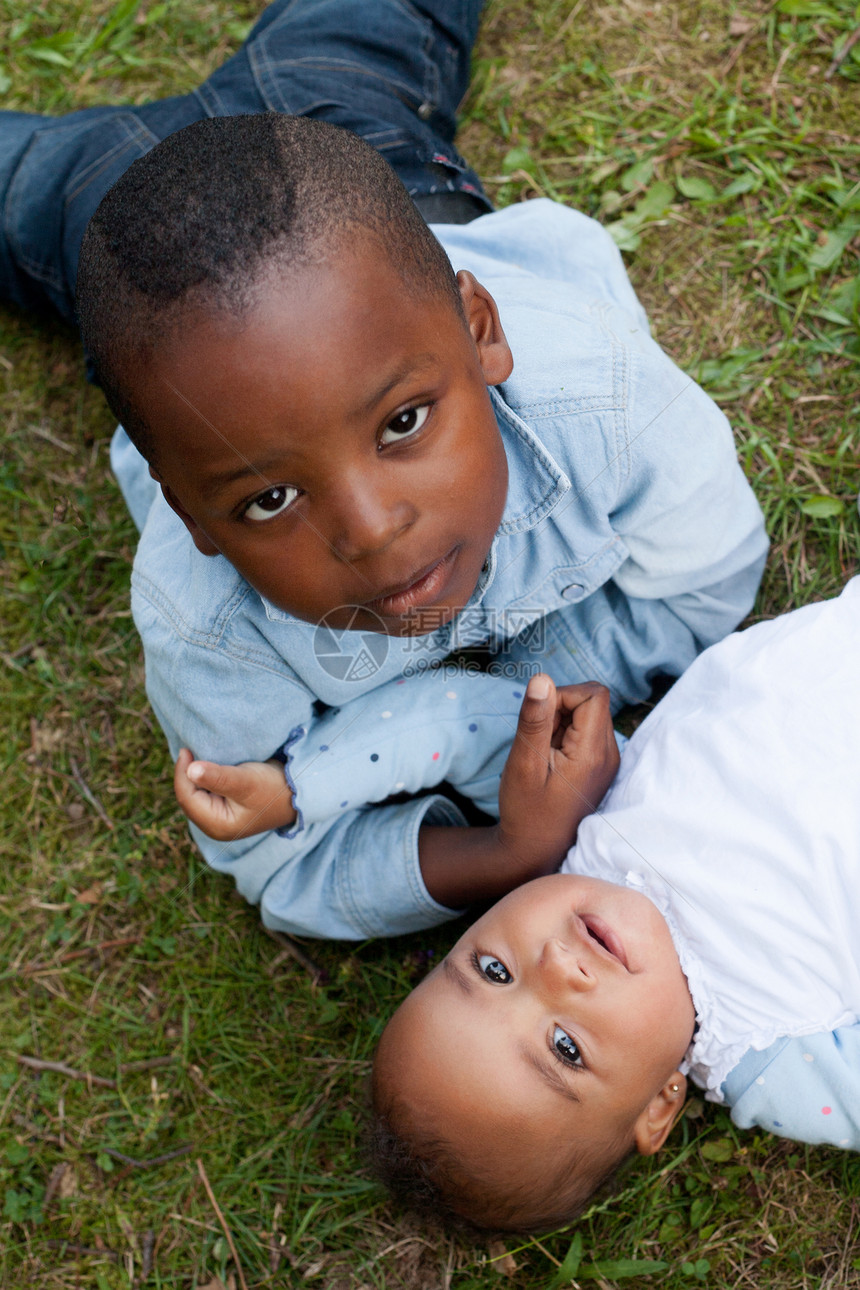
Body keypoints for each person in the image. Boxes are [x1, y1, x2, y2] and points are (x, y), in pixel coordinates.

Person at [0, 0, 768, 939]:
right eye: (269, 498)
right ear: (190, 517)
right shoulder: (204, 625)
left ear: (481, 334)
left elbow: (709, 577)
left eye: (402, 422)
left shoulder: (602, 402)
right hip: (113, 219)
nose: (368, 528)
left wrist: (527, 709)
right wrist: (503, 852)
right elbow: (274, 862)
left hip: (355, 143)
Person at [370, 578, 860, 1232]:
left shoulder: (578, 828)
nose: (556, 967)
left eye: (494, 971)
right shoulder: (764, 1054)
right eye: (565, 1047)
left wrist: (300, 784)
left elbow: (455, 721)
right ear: (658, 1104)